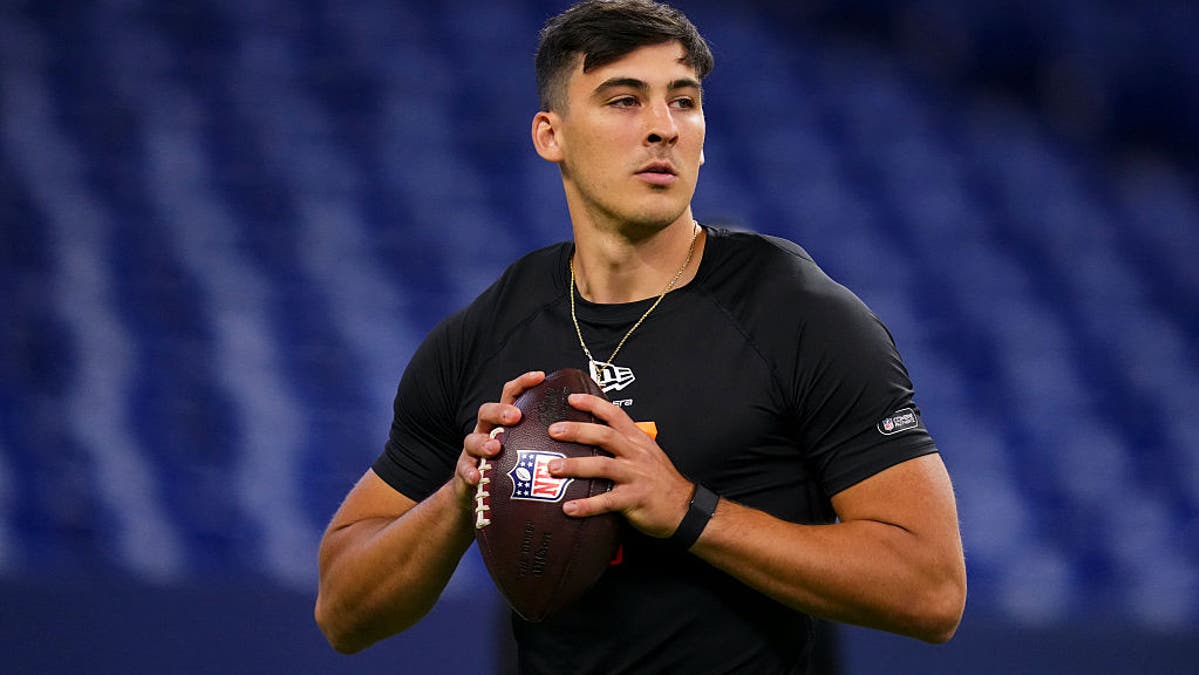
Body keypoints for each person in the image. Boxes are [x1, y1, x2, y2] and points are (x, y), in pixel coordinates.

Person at [314, 1, 967, 672]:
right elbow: (342, 610)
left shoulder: (797, 314)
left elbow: (932, 588)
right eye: (624, 101)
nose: (662, 128)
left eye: (683, 102)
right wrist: (460, 495)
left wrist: (689, 511)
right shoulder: (485, 334)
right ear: (551, 134)